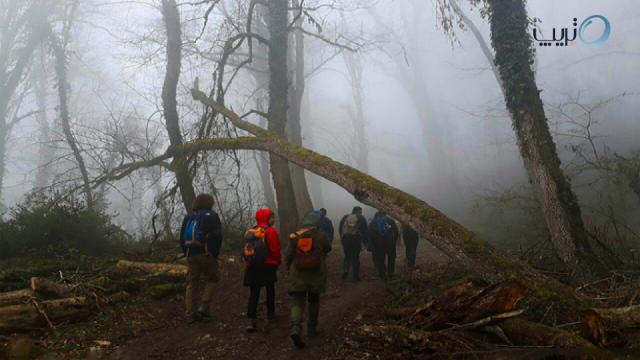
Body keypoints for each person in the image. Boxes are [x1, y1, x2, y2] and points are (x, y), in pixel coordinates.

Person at [286, 211, 332, 348]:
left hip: (298, 273)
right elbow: (328, 249)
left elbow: (288, 255)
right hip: (316, 274)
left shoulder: (295, 236)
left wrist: (288, 269)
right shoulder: (321, 235)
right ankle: (311, 329)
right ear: (316, 223)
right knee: (313, 301)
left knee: (297, 302)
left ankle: (295, 327)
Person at [179, 193, 223, 324]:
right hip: (206, 253)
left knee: (192, 283)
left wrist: (186, 251)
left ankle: (189, 314)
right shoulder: (212, 216)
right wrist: (214, 253)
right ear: (209, 203)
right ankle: (203, 307)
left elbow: (181, 238)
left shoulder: (188, 217)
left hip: (190, 253)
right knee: (213, 278)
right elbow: (217, 236)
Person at [243, 208, 281, 333]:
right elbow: (275, 250)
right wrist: (278, 261)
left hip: (253, 266)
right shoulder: (270, 231)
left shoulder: (250, 231)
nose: (273, 220)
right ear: (266, 218)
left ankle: (251, 321)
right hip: (268, 265)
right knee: (270, 290)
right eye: (272, 217)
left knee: (254, 293)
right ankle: (271, 314)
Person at [338, 206, 368, 281]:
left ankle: (345, 270)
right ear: (358, 211)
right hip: (355, 239)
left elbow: (340, 227)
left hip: (346, 238)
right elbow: (365, 230)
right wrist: (365, 242)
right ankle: (355, 276)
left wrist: (342, 238)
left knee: (347, 256)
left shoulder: (346, 216)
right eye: (361, 212)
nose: (361, 213)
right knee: (355, 257)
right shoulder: (361, 217)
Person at [368, 211, 399, 280]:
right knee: (391, 258)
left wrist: (372, 243)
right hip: (390, 243)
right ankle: (391, 273)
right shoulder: (390, 220)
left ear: (378, 214)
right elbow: (396, 232)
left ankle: (382, 275)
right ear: (385, 214)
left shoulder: (373, 222)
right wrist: (394, 241)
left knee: (380, 259)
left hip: (378, 244)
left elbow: (370, 233)